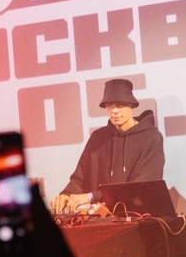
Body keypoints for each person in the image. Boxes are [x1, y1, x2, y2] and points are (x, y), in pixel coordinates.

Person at [51, 78, 165, 214]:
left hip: (138, 217)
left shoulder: (151, 137)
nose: (114, 111)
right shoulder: (98, 137)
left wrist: (92, 196)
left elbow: (143, 187)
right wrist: (67, 194)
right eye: (109, 105)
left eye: (120, 105)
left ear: (132, 105)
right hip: (102, 219)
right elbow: (80, 178)